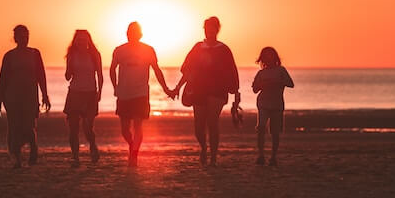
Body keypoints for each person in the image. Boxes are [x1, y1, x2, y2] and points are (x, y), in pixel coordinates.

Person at [172, 17, 240, 166]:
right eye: (207, 28)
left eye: (212, 28)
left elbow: (232, 71)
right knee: (199, 126)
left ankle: (213, 157)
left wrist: (236, 94)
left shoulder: (224, 49)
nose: (209, 31)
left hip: (218, 90)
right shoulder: (198, 47)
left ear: (217, 29)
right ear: (204, 29)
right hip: (198, 89)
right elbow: (188, 70)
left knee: (212, 122)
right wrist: (178, 86)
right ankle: (203, 148)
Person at [110, 22, 173, 166]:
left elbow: (156, 70)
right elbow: (112, 69)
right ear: (126, 34)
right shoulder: (119, 50)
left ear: (140, 34)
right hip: (124, 93)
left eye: (135, 32)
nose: (131, 35)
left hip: (140, 93)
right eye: (129, 32)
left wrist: (165, 88)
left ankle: (134, 154)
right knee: (125, 130)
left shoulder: (148, 50)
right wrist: (115, 87)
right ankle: (132, 145)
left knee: (138, 125)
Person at [0, 25, 51, 168]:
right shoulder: (9, 56)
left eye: (26, 36)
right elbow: (3, 78)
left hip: (30, 96)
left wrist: (45, 95)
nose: (24, 39)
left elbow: (41, 75)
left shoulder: (35, 53)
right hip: (12, 97)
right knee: (14, 127)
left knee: (29, 126)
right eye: (20, 36)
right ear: (15, 38)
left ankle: (33, 147)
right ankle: (17, 159)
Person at [64, 30, 103, 166]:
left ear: (88, 41)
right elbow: (68, 76)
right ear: (75, 41)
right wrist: (69, 67)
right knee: (73, 127)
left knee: (87, 125)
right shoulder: (72, 55)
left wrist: (99, 92)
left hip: (90, 93)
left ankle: (92, 146)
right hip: (74, 93)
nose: (81, 42)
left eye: (83, 39)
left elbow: (100, 74)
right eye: (78, 40)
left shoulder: (94, 55)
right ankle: (75, 157)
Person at [252, 47, 294, 166]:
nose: (268, 58)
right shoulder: (261, 73)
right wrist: (263, 84)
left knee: (275, 132)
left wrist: (278, 82)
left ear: (275, 57)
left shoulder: (281, 70)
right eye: (266, 55)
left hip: (277, 104)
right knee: (261, 128)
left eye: (271, 55)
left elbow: (291, 84)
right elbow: (255, 89)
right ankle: (261, 155)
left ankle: (273, 157)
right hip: (263, 103)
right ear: (263, 58)